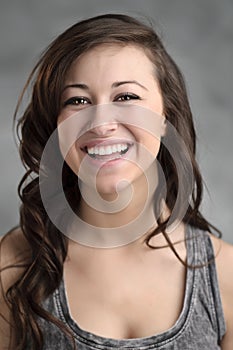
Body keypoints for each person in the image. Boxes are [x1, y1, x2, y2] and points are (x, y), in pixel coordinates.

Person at [0, 13, 233, 350]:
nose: (101, 122)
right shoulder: (13, 265)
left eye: (126, 97)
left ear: (166, 116)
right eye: (77, 101)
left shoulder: (226, 276)